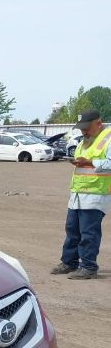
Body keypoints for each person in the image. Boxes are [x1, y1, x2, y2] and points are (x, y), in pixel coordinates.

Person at [51, 109, 111, 279]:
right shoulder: (84, 141)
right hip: (78, 194)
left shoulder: (108, 138)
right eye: (81, 128)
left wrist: (91, 162)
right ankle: (69, 262)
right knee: (72, 230)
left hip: (95, 195)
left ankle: (89, 267)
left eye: (87, 128)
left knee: (88, 233)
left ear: (98, 123)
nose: (84, 131)